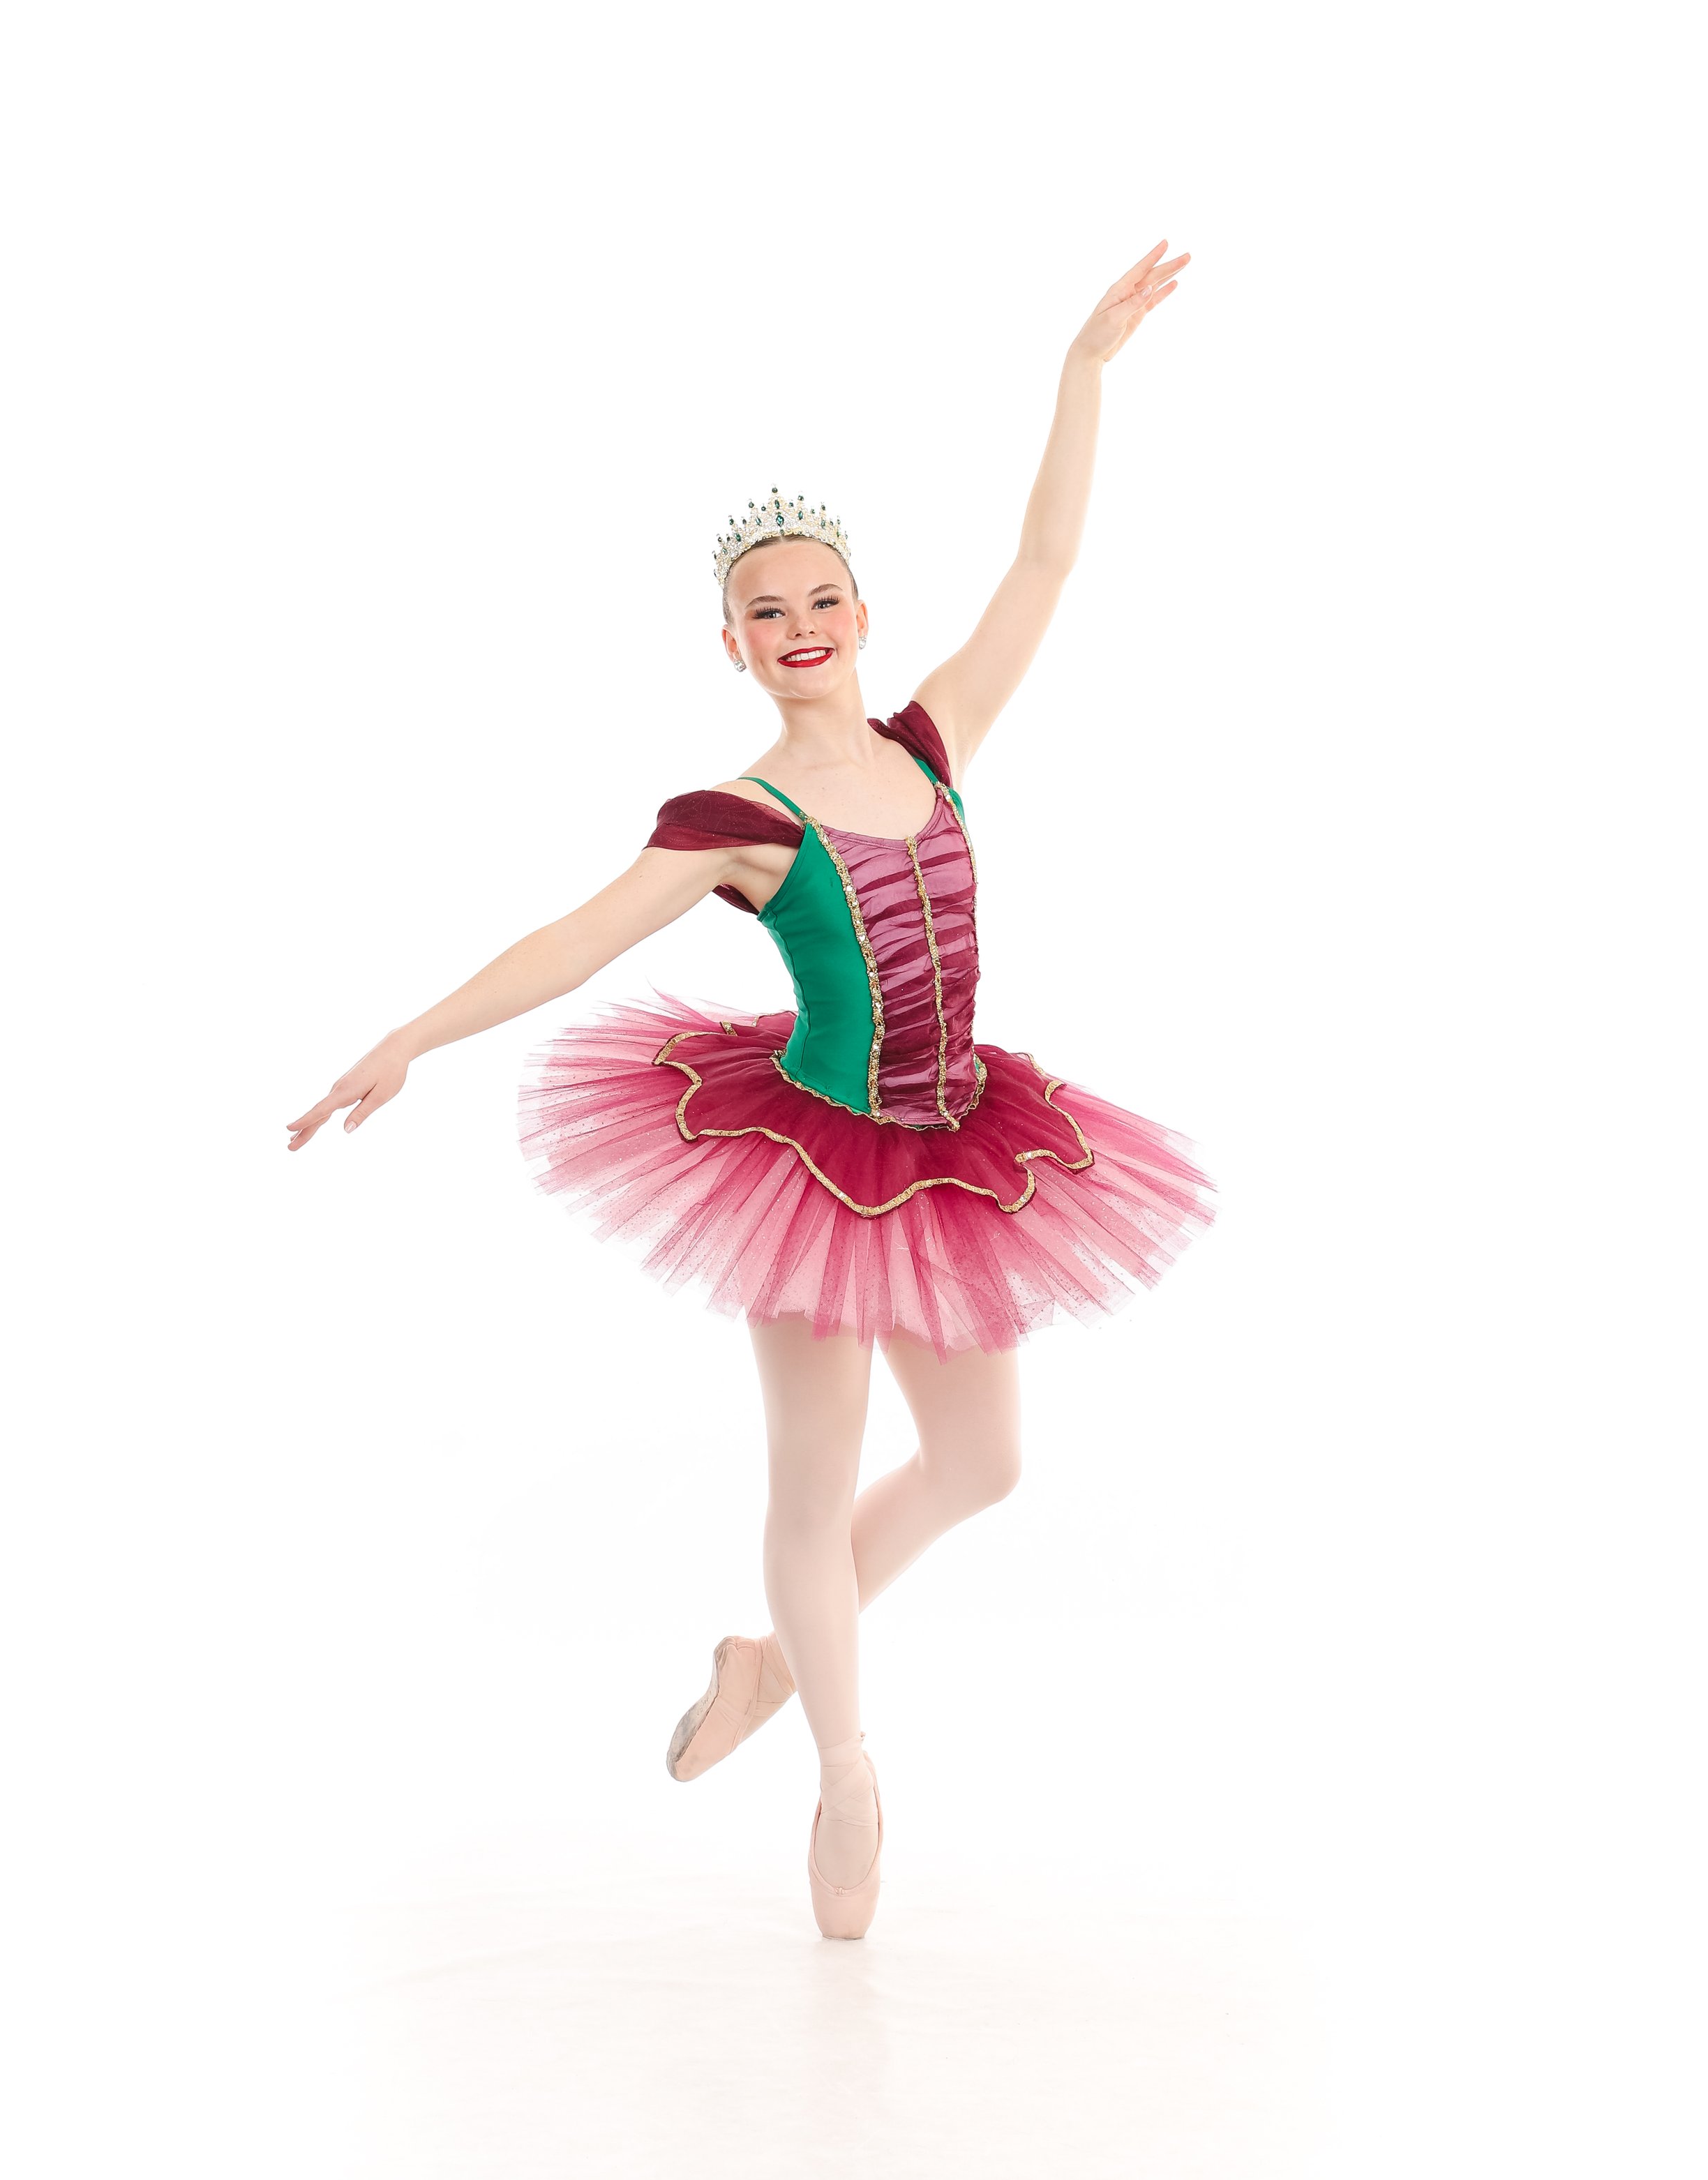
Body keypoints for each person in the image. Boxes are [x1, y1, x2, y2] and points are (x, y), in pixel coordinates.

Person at [287, 240, 1214, 1940]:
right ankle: (845, 1767)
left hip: (959, 1145)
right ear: (730, 643)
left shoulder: (932, 744)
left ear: (860, 614)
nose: (797, 630)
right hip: (809, 1154)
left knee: (988, 1463)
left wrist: (1081, 366)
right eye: (763, 614)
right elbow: (572, 938)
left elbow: (1046, 558)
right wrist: (413, 1030)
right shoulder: (737, 820)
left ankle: (768, 1660)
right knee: (814, 1474)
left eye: (819, 602)